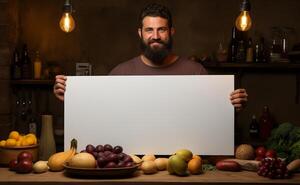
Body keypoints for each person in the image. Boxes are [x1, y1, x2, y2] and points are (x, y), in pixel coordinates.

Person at [54, 3, 248, 111]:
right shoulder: (120, 73)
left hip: (184, 165)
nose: (155, 36)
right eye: (149, 30)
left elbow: (211, 116)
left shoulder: (195, 71)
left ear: (171, 32)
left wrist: (231, 106)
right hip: (132, 165)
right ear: (140, 33)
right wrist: (73, 100)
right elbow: (101, 114)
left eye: (161, 29)